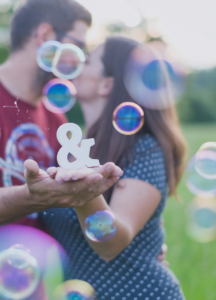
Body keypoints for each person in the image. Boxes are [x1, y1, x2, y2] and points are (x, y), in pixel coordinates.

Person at [0, 0, 123, 298]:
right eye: (77, 45)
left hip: (27, 282)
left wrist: (141, 244)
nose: (81, 59)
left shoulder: (55, 116)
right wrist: (34, 196)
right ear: (44, 36)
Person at [42, 36, 187, 300]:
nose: (75, 65)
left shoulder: (144, 149)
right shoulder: (78, 149)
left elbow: (111, 245)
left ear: (107, 83)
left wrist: (83, 190)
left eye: (86, 61)